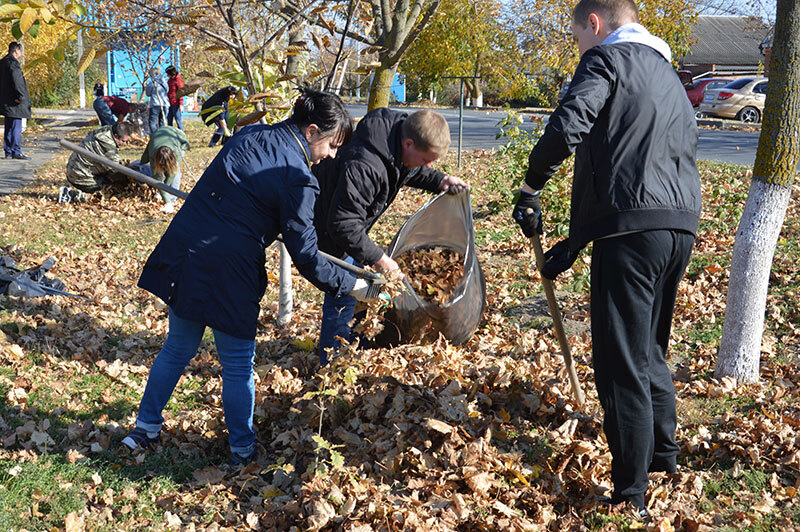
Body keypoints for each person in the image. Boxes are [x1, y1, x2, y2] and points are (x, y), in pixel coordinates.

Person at [121, 88, 382, 465]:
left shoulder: (250, 134)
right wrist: (354, 286)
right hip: (229, 267)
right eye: (331, 144)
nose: (332, 154)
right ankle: (242, 450)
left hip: (188, 244)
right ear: (311, 131)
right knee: (238, 363)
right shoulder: (298, 177)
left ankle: (143, 430)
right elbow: (306, 255)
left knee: (176, 348)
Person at [511, 0, 701, 515]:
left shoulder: (605, 61)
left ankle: (630, 496)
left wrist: (530, 187)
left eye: (577, 36)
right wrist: (571, 248)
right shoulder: (667, 73)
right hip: (678, 226)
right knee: (649, 351)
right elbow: (632, 161)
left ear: (594, 24)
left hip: (632, 233)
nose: (578, 47)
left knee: (620, 364)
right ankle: (664, 459)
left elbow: (570, 125)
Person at [312, 108, 469, 364]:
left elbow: (406, 168)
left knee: (361, 290)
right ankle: (333, 364)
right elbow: (343, 224)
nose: (429, 165)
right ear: (409, 143)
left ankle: (355, 343)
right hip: (325, 229)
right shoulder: (365, 165)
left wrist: (440, 180)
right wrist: (382, 260)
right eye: (428, 159)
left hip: (348, 224)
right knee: (342, 292)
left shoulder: (396, 136)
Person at [60, 121, 134, 203]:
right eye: (123, 141)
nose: (125, 144)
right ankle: (71, 194)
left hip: (76, 168)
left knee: (108, 181)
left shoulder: (106, 130)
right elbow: (115, 170)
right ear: (116, 136)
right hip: (80, 176)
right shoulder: (108, 146)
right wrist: (129, 182)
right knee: (108, 193)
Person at [137, 125, 190, 213]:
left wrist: (166, 194)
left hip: (177, 138)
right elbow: (158, 179)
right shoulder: (153, 155)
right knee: (159, 174)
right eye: (161, 165)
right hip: (158, 136)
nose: (163, 167)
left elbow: (172, 174)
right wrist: (162, 189)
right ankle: (168, 199)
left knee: (175, 173)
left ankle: (172, 199)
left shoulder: (177, 152)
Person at [0, 42, 31, 160]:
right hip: (15, 101)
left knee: (8, 125)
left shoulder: (2, 62)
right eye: (20, 51)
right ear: (16, 51)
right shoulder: (13, 63)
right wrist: (21, 96)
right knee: (16, 125)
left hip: (5, 100)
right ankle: (16, 151)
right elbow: (17, 80)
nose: (21, 54)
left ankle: (8, 150)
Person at [145, 67, 169, 136]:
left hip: (155, 104)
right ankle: (162, 136)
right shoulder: (164, 82)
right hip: (165, 104)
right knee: (162, 122)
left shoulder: (152, 83)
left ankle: (156, 136)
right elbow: (167, 90)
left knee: (152, 122)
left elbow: (148, 93)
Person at [165, 65, 184, 130]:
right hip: (169, 103)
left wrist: (181, 104)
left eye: (168, 74)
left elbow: (181, 92)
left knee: (178, 120)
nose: (167, 75)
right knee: (169, 120)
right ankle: (170, 135)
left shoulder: (178, 80)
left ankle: (182, 135)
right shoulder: (170, 80)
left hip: (176, 104)